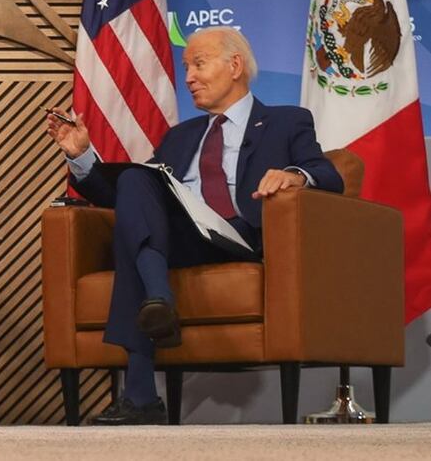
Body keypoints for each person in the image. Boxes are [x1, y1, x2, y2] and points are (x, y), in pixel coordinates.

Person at [47, 26, 342, 425]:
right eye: (186, 68)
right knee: (136, 179)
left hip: (241, 234)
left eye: (198, 65)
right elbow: (128, 203)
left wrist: (293, 175)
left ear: (234, 65)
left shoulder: (286, 122)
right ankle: (157, 302)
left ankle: (141, 387)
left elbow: (328, 174)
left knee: (138, 232)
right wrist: (82, 157)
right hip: (184, 236)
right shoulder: (181, 136)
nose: (188, 78)